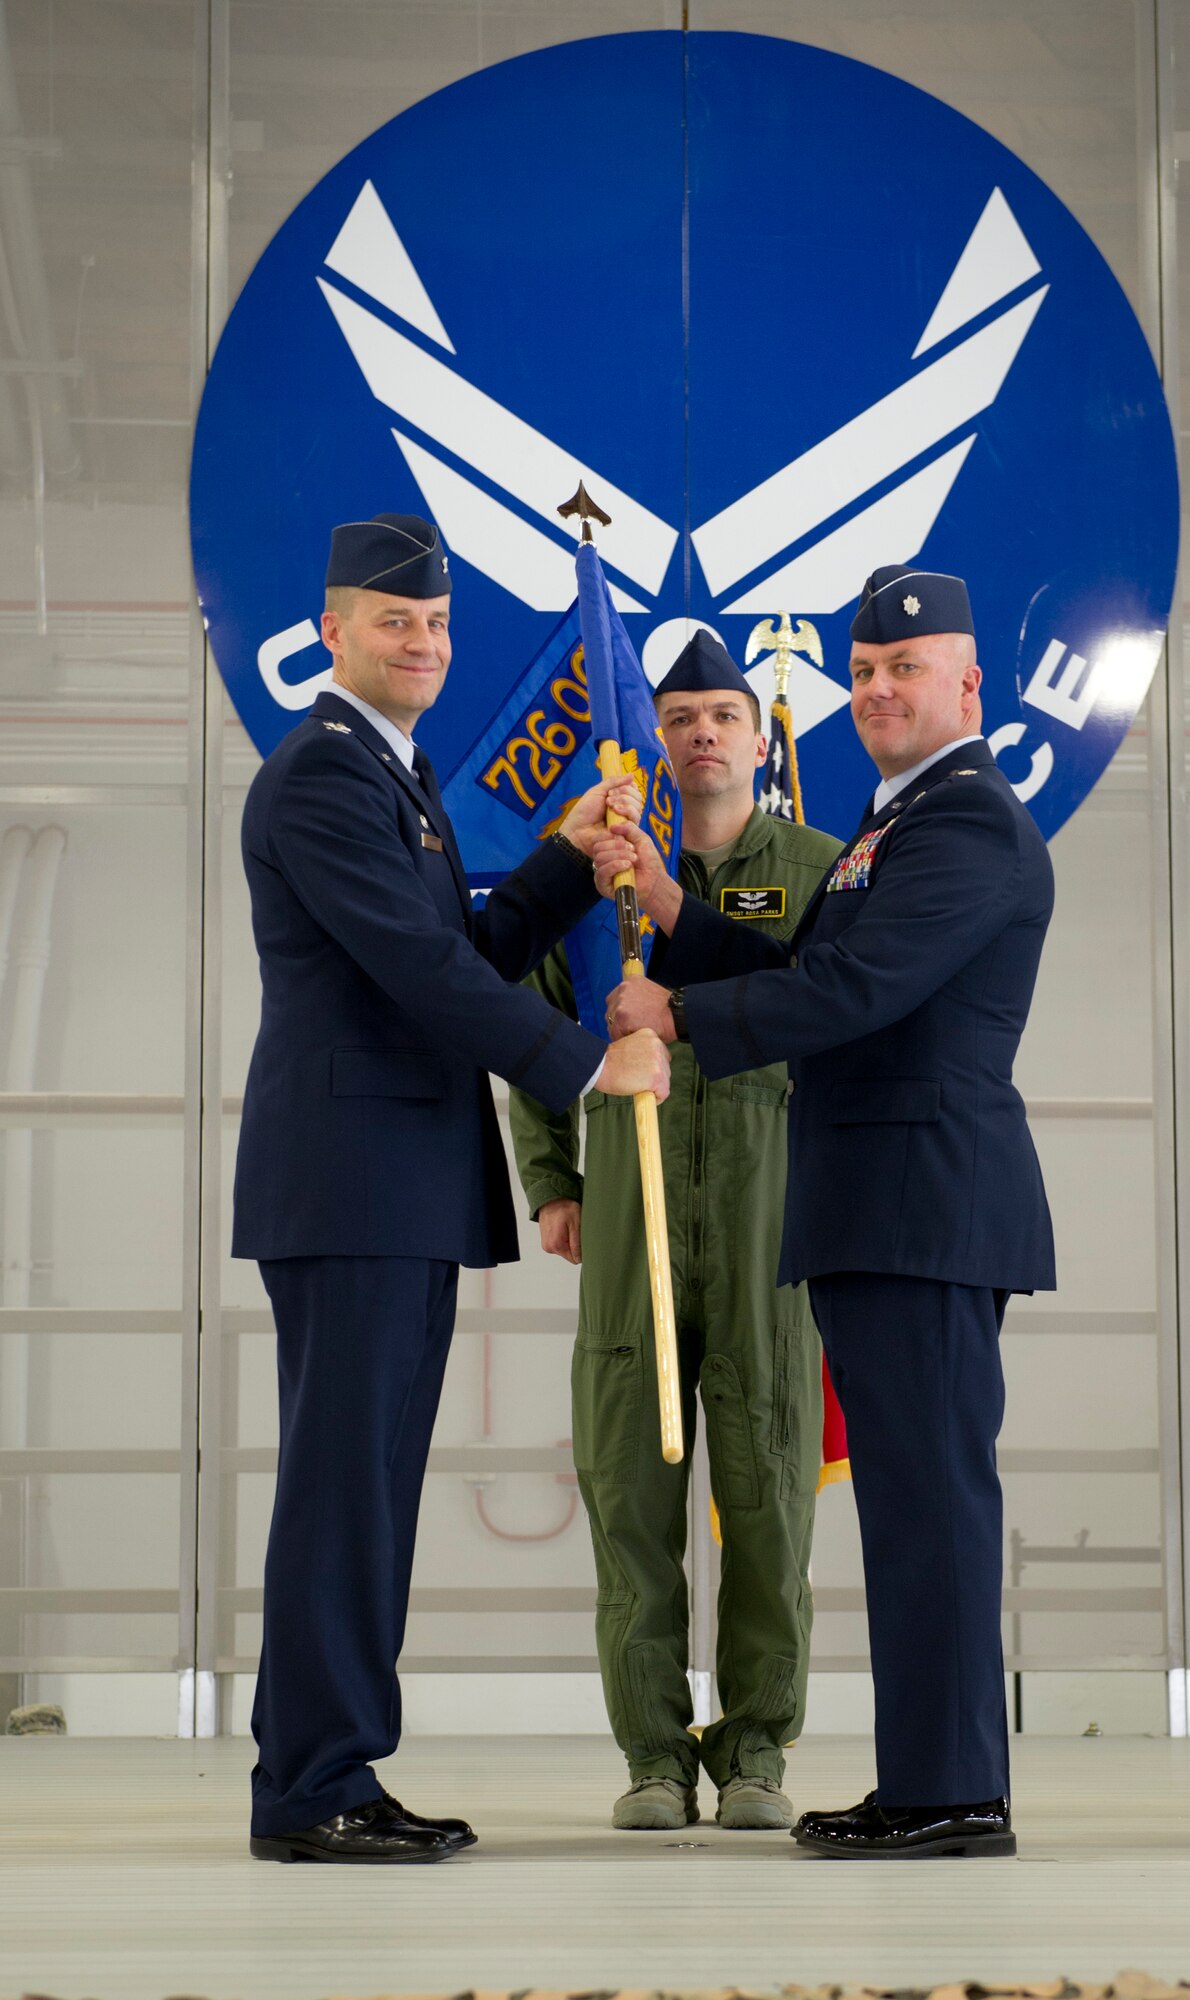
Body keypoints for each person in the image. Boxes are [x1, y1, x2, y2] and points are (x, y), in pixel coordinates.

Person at [234, 512, 669, 1865]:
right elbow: (418, 979)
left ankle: (339, 1766)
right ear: (332, 633)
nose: (419, 641)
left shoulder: (393, 777)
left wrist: (561, 857)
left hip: (394, 1184)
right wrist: (589, 1066)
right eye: (391, 621)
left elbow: (464, 943)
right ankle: (311, 1786)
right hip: (355, 1184)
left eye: (432, 625)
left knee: (365, 1487)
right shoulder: (321, 777)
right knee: (343, 1490)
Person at [601, 565, 1056, 1859]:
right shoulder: (888, 827)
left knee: (934, 1512)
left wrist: (679, 1012)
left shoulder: (962, 823)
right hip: (877, 1209)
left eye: (903, 670)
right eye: (860, 673)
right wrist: (681, 924)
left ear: (967, 683)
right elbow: (812, 968)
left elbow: (853, 992)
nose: (875, 690)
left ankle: (958, 1790)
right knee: (910, 1514)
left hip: (924, 1207)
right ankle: (926, 1780)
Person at [510, 630, 843, 1833]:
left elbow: (841, 1010)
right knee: (628, 1493)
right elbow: (531, 1025)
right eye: (679, 715)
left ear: (758, 739)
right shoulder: (596, 877)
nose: (701, 732)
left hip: (767, 1214)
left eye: (723, 714)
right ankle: (653, 1753)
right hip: (629, 1214)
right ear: (649, 740)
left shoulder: (818, 869)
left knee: (765, 1491)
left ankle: (756, 1747)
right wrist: (553, 1174)